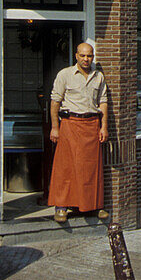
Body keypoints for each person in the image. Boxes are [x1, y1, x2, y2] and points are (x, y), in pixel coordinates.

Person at [48, 42, 109, 223]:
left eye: (89, 56)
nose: (86, 59)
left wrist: (104, 126)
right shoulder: (65, 75)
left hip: (92, 125)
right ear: (76, 56)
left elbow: (103, 102)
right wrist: (55, 127)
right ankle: (61, 207)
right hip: (70, 124)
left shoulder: (99, 77)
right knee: (66, 167)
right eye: (82, 55)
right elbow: (55, 102)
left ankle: (93, 206)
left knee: (90, 169)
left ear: (93, 57)